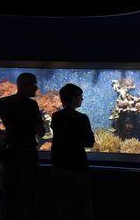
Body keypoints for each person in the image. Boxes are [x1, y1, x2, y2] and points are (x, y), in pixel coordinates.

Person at [0, 72, 46, 220]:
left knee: (9, 193)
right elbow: (40, 132)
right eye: (33, 84)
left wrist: (0, 132)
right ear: (24, 85)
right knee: (28, 194)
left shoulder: (5, 102)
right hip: (27, 155)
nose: (36, 87)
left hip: (10, 154)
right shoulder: (31, 104)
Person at [50, 83, 95, 220]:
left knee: (63, 204)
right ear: (74, 98)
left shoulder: (56, 116)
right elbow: (89, 142)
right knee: (82, 203)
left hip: (58, 164)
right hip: (77, 165)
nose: (82, 99)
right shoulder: (82, 118)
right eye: (81, 97)